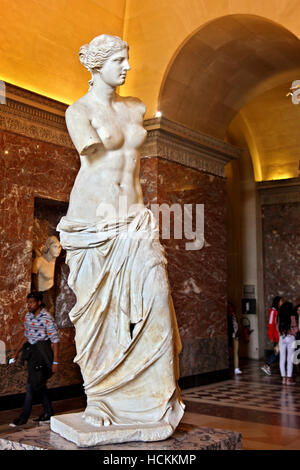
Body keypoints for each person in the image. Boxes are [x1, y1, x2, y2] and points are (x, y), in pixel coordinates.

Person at [56, 34, 184, 432]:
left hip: (134, 220)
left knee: (158, 298)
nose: (127, 67)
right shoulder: (78, 111)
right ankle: (100, 398)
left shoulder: (136, 108)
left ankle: (155, 400)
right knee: (100, 317)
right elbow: (94, 160)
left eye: (127, 58)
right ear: (96, 66)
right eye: (118, 60)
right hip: (93, 222)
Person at [9, 292, 60, 426]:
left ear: (38, 302)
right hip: (32, 353)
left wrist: (55, 361)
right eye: (28, 302)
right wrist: (16, 353)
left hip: (43, 354)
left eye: (31, 302)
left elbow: (55, 341)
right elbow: (27, 336)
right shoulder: (28, 316)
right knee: (39, 384)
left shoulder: (47, 317)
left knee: (31, 385)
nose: (29, 305)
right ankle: (48, 413)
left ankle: (23, 418)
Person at [32, 236, 62, 314]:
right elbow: (33, 278)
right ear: (48, 246)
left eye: (59, 247)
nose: (58, 250)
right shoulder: (39, 261)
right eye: (55, 247)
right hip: (42, 293)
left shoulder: (55, 262)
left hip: (52, 292)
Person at [261, 296, 283, 376]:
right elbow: (271, 324)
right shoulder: (273, 311)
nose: (282, 302)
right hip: (277, 336)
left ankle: (268, 366)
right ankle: (267, 365)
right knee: (277, 352)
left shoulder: (277, 311)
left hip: (279, 335)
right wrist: (271, 336)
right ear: (277, 302)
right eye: (281, 301)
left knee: (278, 352)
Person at [278, 301, 298, 385]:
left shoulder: (279, 317)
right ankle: (289, 379)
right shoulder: (292, 317)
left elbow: (277, 327)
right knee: (290, 358)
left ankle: (283, 378)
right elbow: (295, 328)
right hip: (290, 338)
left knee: (282, 358)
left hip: (281, 337)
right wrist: (295, 332)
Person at [227, 301, 242, 375]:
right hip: (229, 335)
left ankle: (236, 368)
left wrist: (237, 332)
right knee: (229, 352)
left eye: (231, 307)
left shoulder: (234, 315)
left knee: (236, 351)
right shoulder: (227, 317)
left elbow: (236, 325)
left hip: (235, 335)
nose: (231, 309)